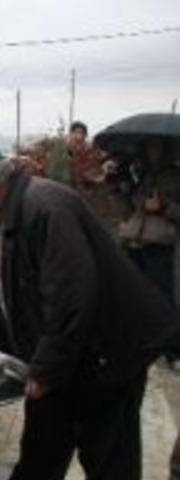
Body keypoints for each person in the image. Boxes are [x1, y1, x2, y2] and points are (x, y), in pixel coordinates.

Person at [0, 148, 177, 480]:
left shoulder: (46, 207)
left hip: (107, 353)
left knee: (107, 459)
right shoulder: (6, 213)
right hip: (68, 353)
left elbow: (73, 298)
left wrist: (44, 371)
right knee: (41, 452)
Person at [115, 138, 180, 367]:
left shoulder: (175, 175)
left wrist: (163, 208)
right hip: (132, 240)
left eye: (157, 146)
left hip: (159, 243)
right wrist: (120, 188)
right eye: (149, 145)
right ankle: (137, 341)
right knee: (131, 294)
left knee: (164, 297)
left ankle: (173, 351)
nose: (153, 150)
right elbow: (126, 208)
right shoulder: (136, 172)